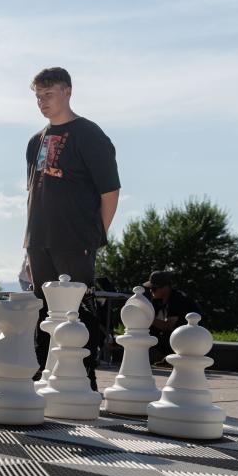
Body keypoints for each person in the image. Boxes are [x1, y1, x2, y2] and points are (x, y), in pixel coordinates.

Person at [24, 67, 121, 391]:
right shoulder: (35, 141)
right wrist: (28, 245)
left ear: (67, 92)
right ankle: (43, 375)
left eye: (49, 95)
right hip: (39, 239)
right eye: (38, 96)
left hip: (76, 238)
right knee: (43, 310)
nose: (42, 102)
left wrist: (95, 235)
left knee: (77, 310)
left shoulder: (89, 135)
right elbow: (33, 194)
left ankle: (84, 379)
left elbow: (110, 192)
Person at [143, 270, 198, 365]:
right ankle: (165, 358)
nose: (151, 291)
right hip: (178, 335)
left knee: (159, 334)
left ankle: (169, 358)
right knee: (149, 332)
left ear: (165, 288)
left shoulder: (177, 299)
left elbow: (167, 326)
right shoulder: (158, 300)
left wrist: (146, 318)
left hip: (192, 338)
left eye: (154, 288)